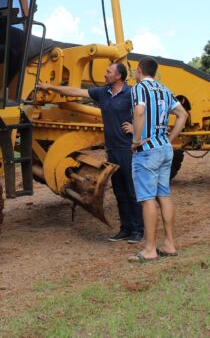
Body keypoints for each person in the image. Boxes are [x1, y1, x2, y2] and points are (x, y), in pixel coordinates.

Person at [37, 63, 145, 243]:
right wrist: (49, 87)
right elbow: (75, 92)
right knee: (119, 191)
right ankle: (125, 229)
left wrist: (136, 129)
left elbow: (147, 113)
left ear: (118, 76)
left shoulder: (132, 93)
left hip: (129, 149)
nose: (105, 74)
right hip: (112, 149)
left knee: (131, 190)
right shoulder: (103, 92)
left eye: (108, 71)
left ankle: (138, 230)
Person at [128, 57, 188, 263]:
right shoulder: (164, 89)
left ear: (138, 70)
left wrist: (136, 140)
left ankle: (150, 249)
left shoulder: (138, 89)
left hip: (147, 151)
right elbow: (183, 115)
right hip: (164, 148)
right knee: (164, 195)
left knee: (147, 199)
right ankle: (169, 244)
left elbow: (139, 111)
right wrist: (170, 139)